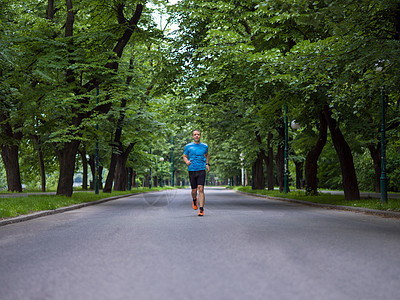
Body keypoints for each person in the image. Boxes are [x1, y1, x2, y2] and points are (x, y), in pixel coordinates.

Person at [183, 129, 210, 216]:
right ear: (192, 136)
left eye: (198, 134)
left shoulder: (205, 146)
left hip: (201, 169)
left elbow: (207, 155)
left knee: (201, 188)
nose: (196, 136)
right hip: (192, 170)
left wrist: (207, 164)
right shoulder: (188, 146)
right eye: (195, 134)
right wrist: (187, 162)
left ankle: (201, 209)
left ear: (200, 136)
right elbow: (185, 156)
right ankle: (194, 199)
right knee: (194, 190)